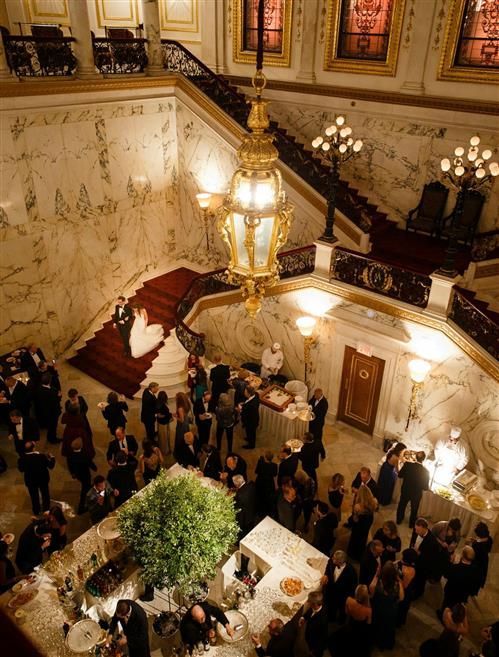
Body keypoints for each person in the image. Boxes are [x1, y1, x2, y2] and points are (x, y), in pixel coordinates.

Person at [329, 584, 372, 657]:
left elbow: (346, 612)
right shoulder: (368, 610)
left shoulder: (348, 600)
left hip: (351, 625)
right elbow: (368, 623)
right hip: (360, 631)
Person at [369, 561, 404, 651]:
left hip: (378, 608)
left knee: (377, 625)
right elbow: (401, 598)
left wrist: (376, 575)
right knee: (387, 627)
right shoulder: (396, 585)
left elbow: (371, 593)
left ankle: (376, 641)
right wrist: (399, 580)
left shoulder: (377, 583)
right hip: (390, 611)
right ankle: (385, 643)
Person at [17, 442, 55, 515]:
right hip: (42, 479)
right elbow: (51, 466)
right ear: (33, 448)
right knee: (45, 494)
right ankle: (46, 509)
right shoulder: (41, 457)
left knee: (34, 496)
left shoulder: (21, 459)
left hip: (30, 480)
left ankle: (36, 510)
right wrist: (52, 458)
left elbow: (21, 470)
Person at [439, 545, 479, 613]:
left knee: (446, 606)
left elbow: (446, 575)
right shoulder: (475, 570)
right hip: (463, 595)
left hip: (451, 592)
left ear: (463, 555)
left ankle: (443, 616)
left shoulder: (455, 568)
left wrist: (450, 562)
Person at [321, 549, 358, 623]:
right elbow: (328, 566)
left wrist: (347, 599)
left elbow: (353, 587)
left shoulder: (351, 572)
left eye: (334, 559)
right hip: (330, 590)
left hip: (341, 596)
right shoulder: (332, 560)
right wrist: (326, 574)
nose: (332, 559)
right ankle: (330, 619)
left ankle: (341, 621)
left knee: (341, 611)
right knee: (330, 608)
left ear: (340, 562)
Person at [396, 450, 429, 527]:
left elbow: (400, 475)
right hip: (416, 494)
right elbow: (425, 487)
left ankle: (398, 520)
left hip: (406, 490)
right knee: (414, 509)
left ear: (415, 457)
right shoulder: (426, 472)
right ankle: (411, 524)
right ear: (424, 459)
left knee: (402, 505)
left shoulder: (407, 465)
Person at [410, 517, 440, 598]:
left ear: (424, 528)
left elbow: (432, 559)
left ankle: (418, 594)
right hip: (414, 560)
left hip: (423, 566)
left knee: (420, 581)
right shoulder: (416, 530)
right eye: (415, 529)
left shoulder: (432, 541)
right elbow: (412, 542)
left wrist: (420, 554)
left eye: (418, 530)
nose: (416, 531)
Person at [347, 485, 377, 561]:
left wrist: (354, 516)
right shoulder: (373, 503)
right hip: (367, 525)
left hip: (358, 528)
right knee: (362, 540)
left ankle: (353, 556)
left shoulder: (358, 507)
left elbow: (354, 520)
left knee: (355, 540)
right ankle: (359, 556)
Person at [67, 437, 97, 514]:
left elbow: (70, 466)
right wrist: (95, 468)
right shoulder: (84, 455)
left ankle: (89, 488)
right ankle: (81, 508)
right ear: (81, 446)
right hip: (85, 475)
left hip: (78, 474)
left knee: (86, 485)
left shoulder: (70, 455)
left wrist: (73, 473)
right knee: (84, 490)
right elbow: (90, 463)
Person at [35, 372, 61, 444]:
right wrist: (59, 396)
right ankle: (52, 439)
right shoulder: (52, 391)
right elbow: (56, 401)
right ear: (49, 381)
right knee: (53, 427)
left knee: (50, 426)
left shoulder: (39, 388)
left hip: (44, 411)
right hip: (52, 413)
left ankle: (50, 437)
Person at [300, 590, 328, 657]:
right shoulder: (315, 607)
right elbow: (310, 611)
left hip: (315, 646)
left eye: (309, 601)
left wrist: (314, 651)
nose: (307, 602)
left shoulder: (322, 620)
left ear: (314, 604)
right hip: (310, 640)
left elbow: (323, 638)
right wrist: (303, 618)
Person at [395, 548, 418, 626]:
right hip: (397, 589)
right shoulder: (401, 564)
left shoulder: (410, 571)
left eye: (403, 556)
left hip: (405, 592)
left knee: (401, 608)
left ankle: (398, 622)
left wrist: (397, 577)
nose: (401, 557)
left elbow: (405, 585)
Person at [471, 521, 493, 593]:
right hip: (484, 561)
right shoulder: (489, 539)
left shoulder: (476, 545)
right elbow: (488, 549)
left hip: (476, 563)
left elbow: (472, 555)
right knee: (479, 577)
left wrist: (471, 544)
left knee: (473, 578)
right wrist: (476, 541)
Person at [308, 388, 329, 460]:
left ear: (320, 394)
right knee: (310, 437)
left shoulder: (324, 403)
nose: (314, 396)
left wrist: (312, 413)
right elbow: (310, 402)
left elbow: (321, 415)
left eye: (316, 395)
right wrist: (309, 407)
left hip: (318, 424)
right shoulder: (314, 397)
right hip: (311, 422)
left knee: (318, 440)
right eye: (314, 395)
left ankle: (322, 454)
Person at [155, 390, 172, 457]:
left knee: (161, 437)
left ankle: (163, 449)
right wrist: (169, 415)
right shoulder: (163, 407)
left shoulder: (157, 403)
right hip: (164, 424)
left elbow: (158, 415)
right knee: (164, 438)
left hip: (160, 423)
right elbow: (163, 415)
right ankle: (165, 451)